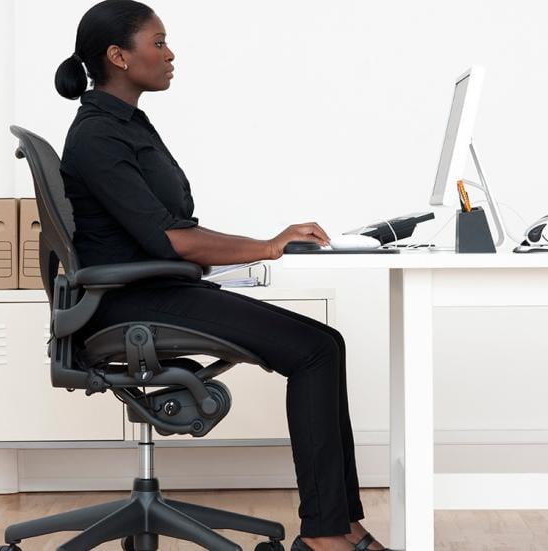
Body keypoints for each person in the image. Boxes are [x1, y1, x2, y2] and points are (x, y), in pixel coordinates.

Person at [55, 2, 388, 550]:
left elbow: (174, 229)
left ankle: (343, 527)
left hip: (155, 286)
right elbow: (168, 238)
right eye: (158, 43)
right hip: (129, 300)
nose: (171, 53)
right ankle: (327, 536)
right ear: (118, 56)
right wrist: (268, 246)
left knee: (324, 342)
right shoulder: (98, 136)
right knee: (314, 350)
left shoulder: (128, 124)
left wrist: (255, 249)